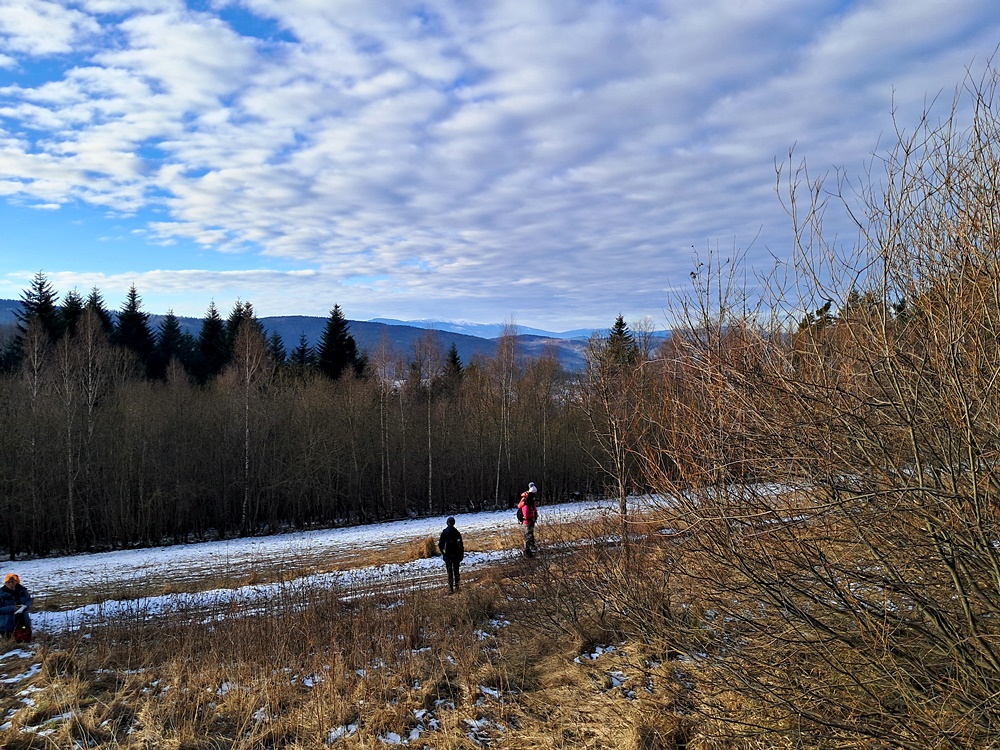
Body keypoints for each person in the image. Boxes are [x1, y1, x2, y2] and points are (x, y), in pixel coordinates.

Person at [0, 573, 32, 642]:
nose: (11, 584)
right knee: (10, 645)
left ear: (16, 582)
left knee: (24, 643)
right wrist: (13, 608)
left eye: (12, 582)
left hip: (23, 622)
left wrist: (25, 606)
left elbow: (29, 601)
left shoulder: (23, 591)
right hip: (7, 625)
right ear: (5, 583)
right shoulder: (1, 593)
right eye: (8, 582)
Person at [438, 517, 464, 593]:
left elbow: (440, 544)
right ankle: (457, 588)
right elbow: (461, 545)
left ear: (447, 523)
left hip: (447, 556)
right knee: (456, 572)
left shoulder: (444, 532)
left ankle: (451, 589)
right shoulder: (457, 532)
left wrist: (444, 552)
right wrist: (461, 554)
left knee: (449, 572)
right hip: (456, 555)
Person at [518, 482, 539, 557]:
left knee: (530, 535)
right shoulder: (526, 503)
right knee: (527, 536)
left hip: (530, 521)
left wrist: (535, 515)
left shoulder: (530, 501)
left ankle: (532, 549)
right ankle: (526, 552)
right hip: (527, 521)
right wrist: (533, 515)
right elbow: (526, 515)